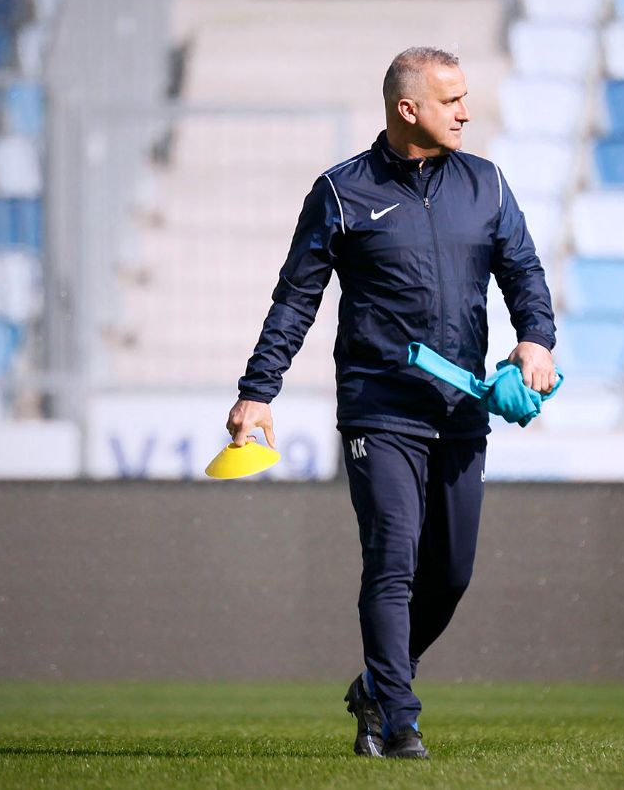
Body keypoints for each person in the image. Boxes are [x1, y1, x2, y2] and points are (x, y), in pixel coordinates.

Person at [226, 46, 557, 760]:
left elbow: (524, 271)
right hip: (379, 410)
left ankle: (378, 685)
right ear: (409, 109)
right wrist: (257, 391)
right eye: (451, 100)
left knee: (452, 574)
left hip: (462, 410)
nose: (466, 112)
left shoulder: (488, 184)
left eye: (465, 97)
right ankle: (400, 721)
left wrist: (536, 339)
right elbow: (295, 299)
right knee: (392, 561)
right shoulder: (341, 191)